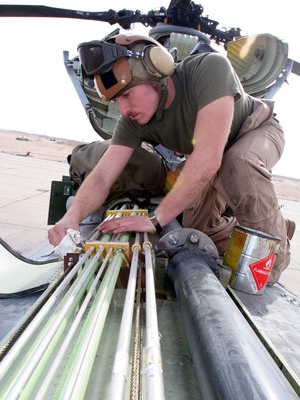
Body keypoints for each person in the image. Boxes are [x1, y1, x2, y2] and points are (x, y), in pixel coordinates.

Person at [48, 33, 293, 283]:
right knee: (196, 231)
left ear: (156, 70)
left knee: (239, 163)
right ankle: (275, 226)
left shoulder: (209, 68)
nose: (123, 109)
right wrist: (72, 217)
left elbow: (208, 160)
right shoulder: (132, 122)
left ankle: (272, 259)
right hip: (215, 155)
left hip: (255, 129)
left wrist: (155, 219)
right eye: (116, 100)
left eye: (127, 95)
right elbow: (102, 176)